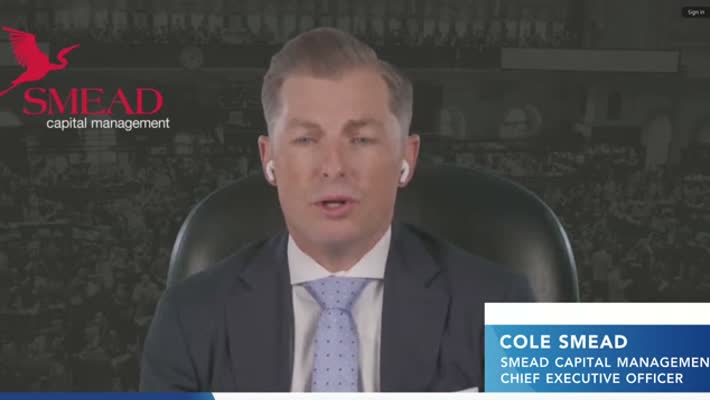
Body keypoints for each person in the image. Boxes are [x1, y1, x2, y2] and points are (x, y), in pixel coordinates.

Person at [140, 27, 535, 392]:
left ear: (407, 157)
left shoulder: (509, 305)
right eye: (306, 139)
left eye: (360, 139)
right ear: (269, 159)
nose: (333, 166)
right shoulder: (186, 318)